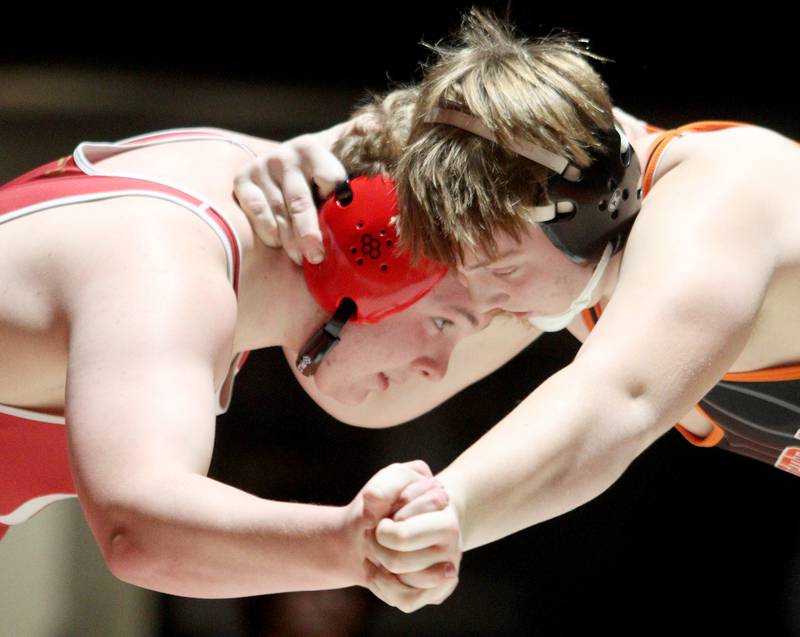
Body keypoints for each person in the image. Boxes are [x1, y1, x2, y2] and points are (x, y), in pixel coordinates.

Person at [232, 8, 800, 612]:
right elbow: (369, 397)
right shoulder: (585, 209)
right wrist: (321, 153)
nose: (488, 303)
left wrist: (451, 509)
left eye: (502, 269)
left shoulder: (726, 198)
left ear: (587, 207)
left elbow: (619, 400)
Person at [0, 123, 489, 607]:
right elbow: (140, 528)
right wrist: (352, 547)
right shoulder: (165, 266)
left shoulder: (220, 172)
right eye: (445, 323)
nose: (437, 369)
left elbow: (419, 122)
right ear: (372, 247)